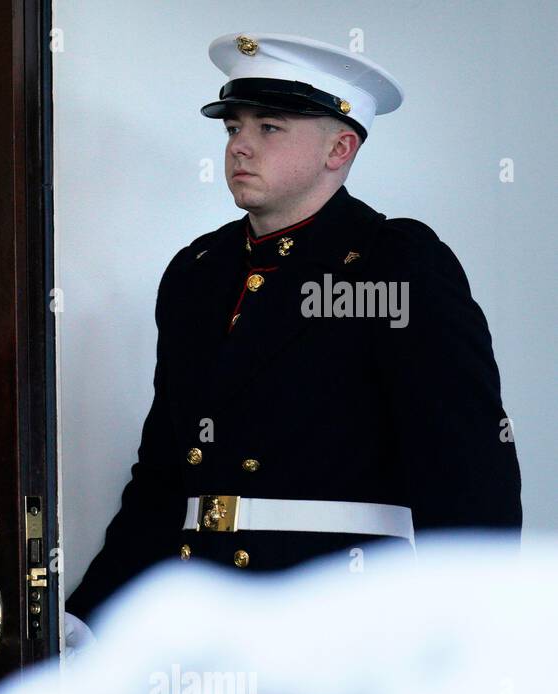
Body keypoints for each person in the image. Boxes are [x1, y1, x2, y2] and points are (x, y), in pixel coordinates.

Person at [66, 33, 521, 636]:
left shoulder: (396, 264)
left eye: (269, 128)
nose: (240, 147)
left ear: (340, 147)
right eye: (232, 128)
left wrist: (466, 642)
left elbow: (467, 474)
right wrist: (90, 618)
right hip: (199, 619)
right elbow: (163, 478)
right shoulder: (197, 272)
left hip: (337, 621)